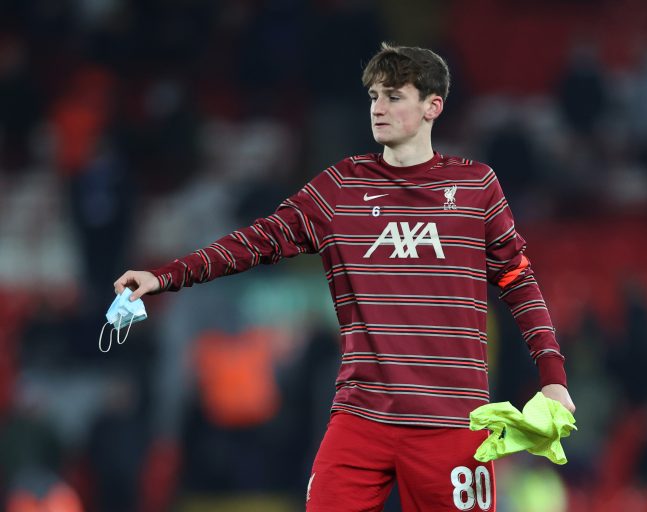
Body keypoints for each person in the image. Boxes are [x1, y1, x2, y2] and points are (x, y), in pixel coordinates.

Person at [114, 42, 575, 512]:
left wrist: (552, 377)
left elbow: (519, 281)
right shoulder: (340, 188)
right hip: (362, 419)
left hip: (451, 420)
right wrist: (163, 277)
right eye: (375, 95)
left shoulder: (476, 186)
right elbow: (255, 241)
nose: (379, 107)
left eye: (395, 96)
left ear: (433, 106)